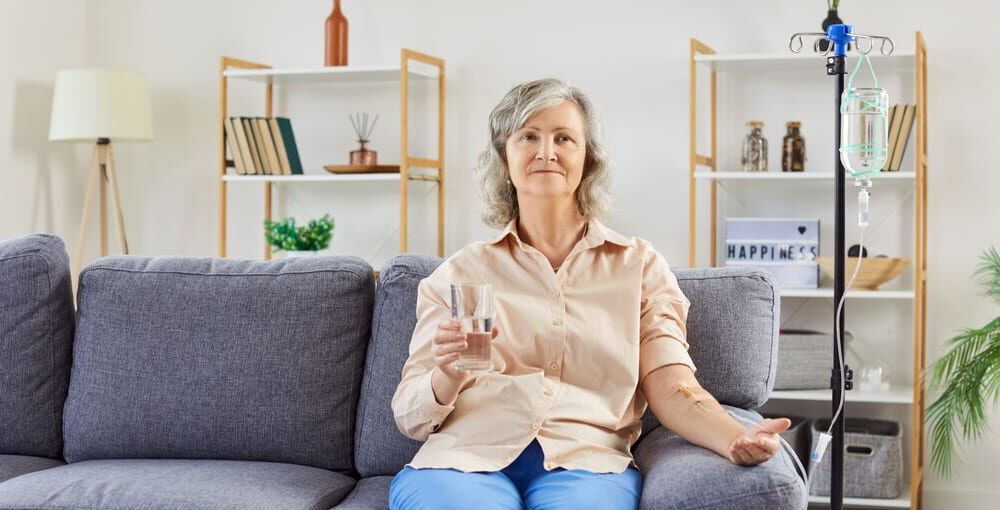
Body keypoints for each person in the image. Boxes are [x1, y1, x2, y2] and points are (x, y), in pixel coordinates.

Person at [389, 78, 790, 510]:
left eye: (564, 138)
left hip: (587, 465)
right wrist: (447, 374)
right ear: (505, 157)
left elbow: (674, 388)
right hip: (462, 462)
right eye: (528, 136)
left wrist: (734, 438)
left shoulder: (639, 268)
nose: (546, 152)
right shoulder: (460, 272)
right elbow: (409, 417)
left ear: (588, 159)